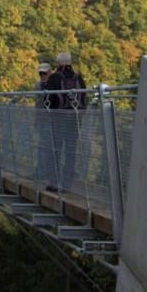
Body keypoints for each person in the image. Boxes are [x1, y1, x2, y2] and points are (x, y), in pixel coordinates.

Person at [45, 51, 87, 192]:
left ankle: (54, 183)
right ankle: (67, 185)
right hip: (75, 119)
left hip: (58, 118)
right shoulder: (78, 77)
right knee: (71, 152)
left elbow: (48, 99)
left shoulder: (55, 78)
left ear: (58, 62)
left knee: (55, 150)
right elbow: (84, 97)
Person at [32, 62, 55, 182]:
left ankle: (47, 172)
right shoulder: (39, 85)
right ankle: (42, 171)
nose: (42, 75)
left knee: (48, 147)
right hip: (43, 119)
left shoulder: (54, 84)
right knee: (42, 146)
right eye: (41, 73)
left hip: (53, 120)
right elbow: (38, 103)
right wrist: (36, 119)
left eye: (44, 73)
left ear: (50, 72)